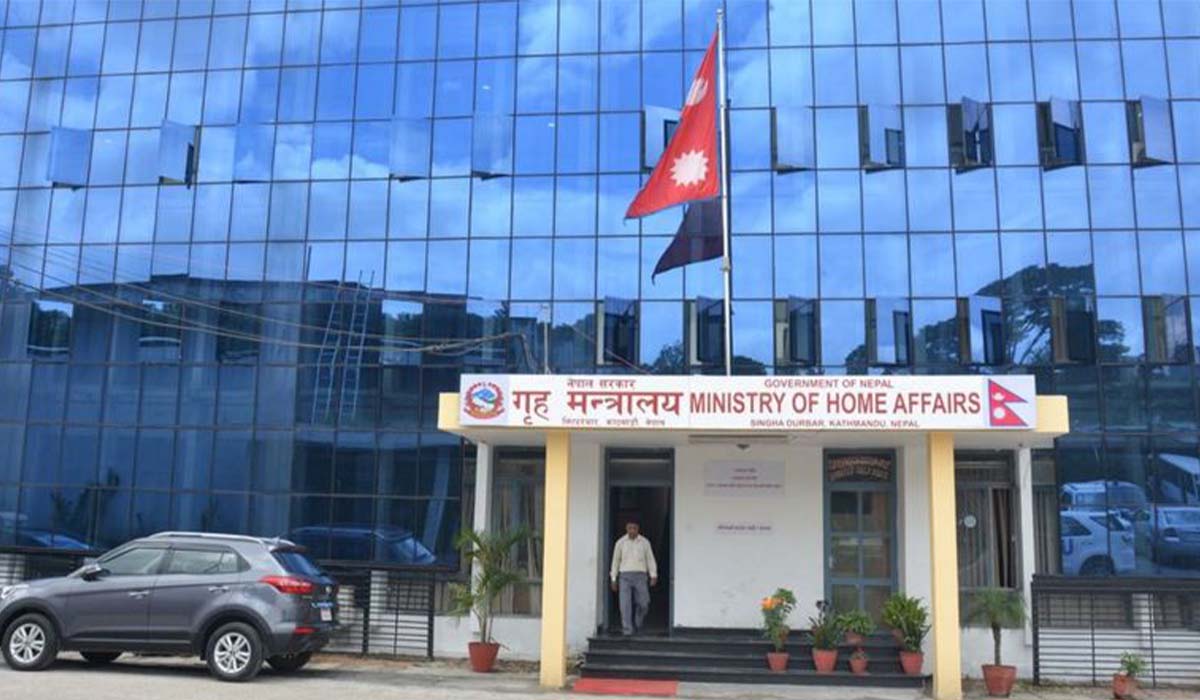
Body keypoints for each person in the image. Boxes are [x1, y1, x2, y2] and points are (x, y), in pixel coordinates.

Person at [609, 520, 658, 636]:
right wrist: (613, 579)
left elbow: (650, 559)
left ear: (638, 529)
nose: (632, 530)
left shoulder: (644, 542)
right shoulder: (620, 543)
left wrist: (653, 575)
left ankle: (638, 621)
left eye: (634, 528)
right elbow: (615, 561)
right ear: (626, 529)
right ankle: (627, 629)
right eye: (630, 528)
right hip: (624, 576)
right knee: (624, 604)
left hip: (641, 576)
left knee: (644, 603)